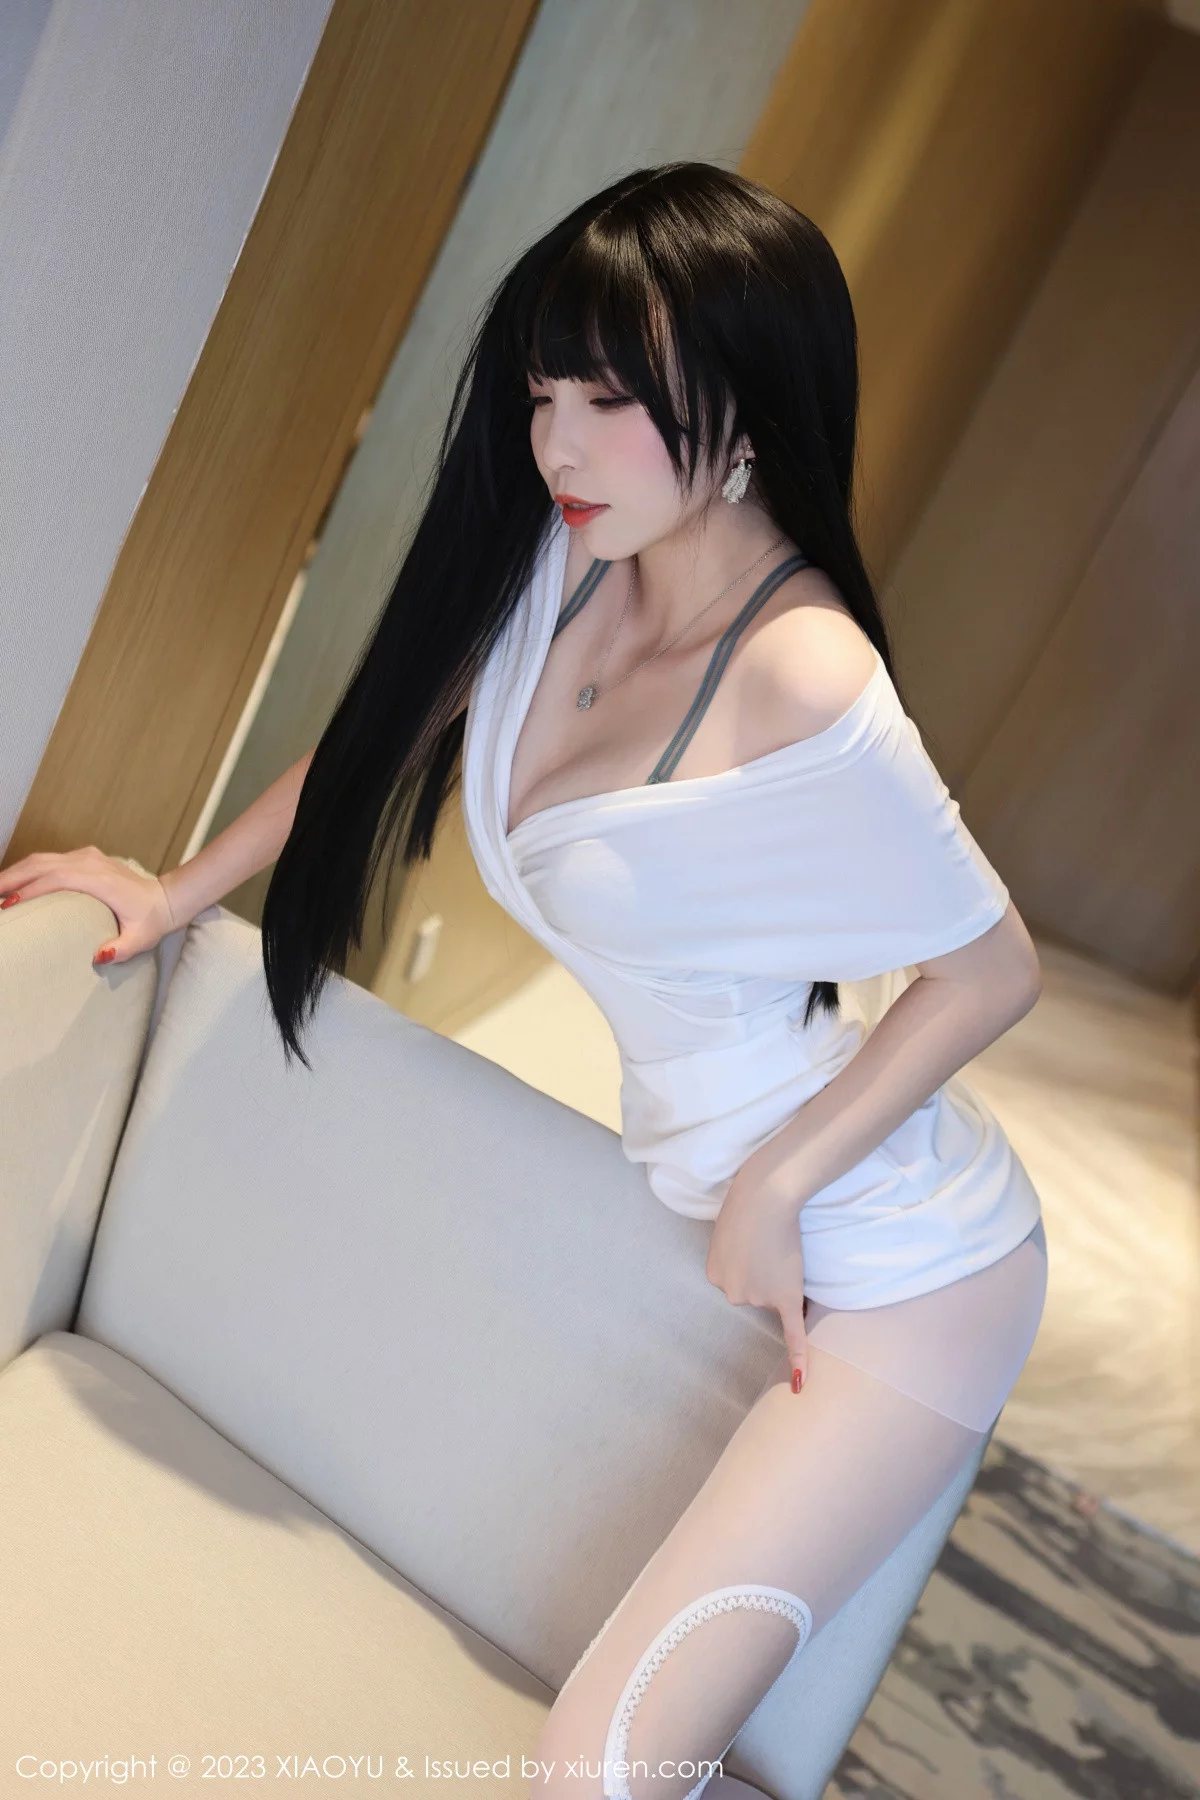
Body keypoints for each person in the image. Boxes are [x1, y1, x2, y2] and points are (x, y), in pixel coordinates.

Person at [0, 163, 1048, 1798]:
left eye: (611, 402)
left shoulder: (803, 670)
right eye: (547, 391)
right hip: (726, 1208)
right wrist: (173, 888)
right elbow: (375, 737)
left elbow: (991, 968)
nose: (558, 442)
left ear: (746, 407)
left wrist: (781, 1185)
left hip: (910, 1269)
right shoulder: (565, 566)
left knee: (602, 1765)